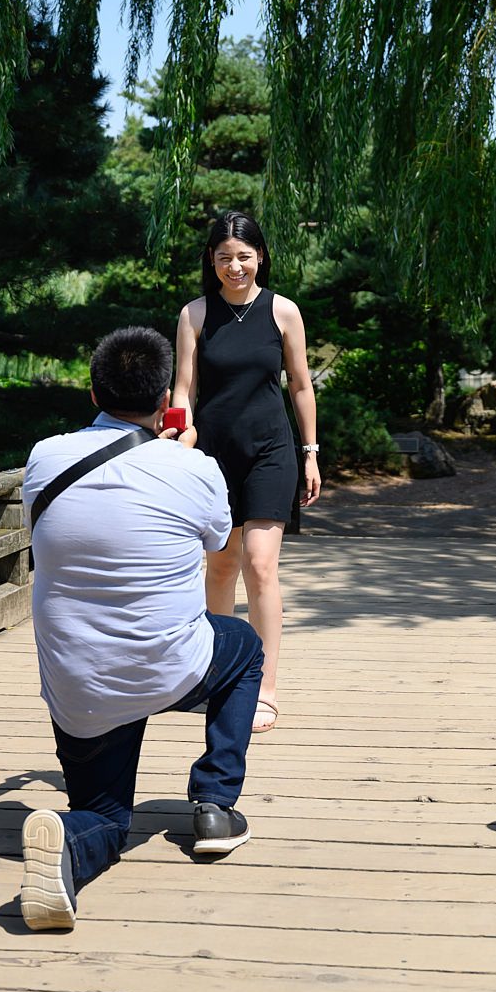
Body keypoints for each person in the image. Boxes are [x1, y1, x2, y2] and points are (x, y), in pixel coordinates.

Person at [19, 326, 263, 930]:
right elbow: (217, 542)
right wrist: (180, 453)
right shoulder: (195, 467)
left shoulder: (44, 457)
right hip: (171, 667)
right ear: (165, 402)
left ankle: (73, 842)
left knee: (105, 816)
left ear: (92, 393)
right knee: (246, 648)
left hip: (78, 682)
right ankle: (214, 805)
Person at [173, 211, 321, 734]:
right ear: (210, 262)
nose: (234, 266)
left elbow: (301, 386)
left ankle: (265, 685)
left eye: (243, 256)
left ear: (260, 257)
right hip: (211, 455)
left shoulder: (283, 312)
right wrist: (176, 444)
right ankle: (218, 672)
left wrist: (311, 451)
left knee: (259, 566)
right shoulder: (194, 314)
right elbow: (183, 392)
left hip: (270, 451)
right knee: (219, 567)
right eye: (223, 258)